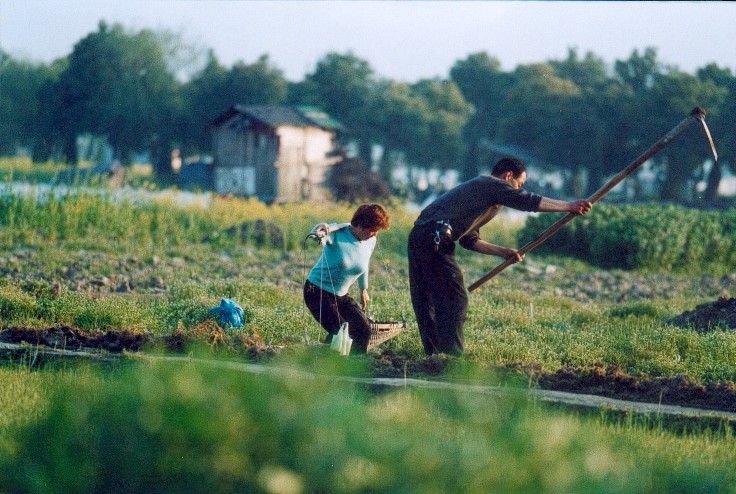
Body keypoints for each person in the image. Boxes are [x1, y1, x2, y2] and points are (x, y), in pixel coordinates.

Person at [408, 157, 592, 356]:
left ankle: (434, 357)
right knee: (455, 298)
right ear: (508, 176)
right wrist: (568, 206)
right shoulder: (491, 184)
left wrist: (503, 252)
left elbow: (469, 239)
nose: (517, 190)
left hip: (421, 235)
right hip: (434, 235)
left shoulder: (483, 196)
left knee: (431, 301)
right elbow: (525, 201)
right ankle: (450, 359)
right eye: (519, 185)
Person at [304, 203, 391, 354]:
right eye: (372, 231)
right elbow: (316, 234)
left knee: (364, 329)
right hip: (316, 291)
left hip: (340, 295)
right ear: (361, 226)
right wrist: (321, 228)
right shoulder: (337, 234)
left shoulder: (370, 240)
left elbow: (364, 262)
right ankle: (324, 362)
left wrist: (363, 289)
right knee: (341, 330)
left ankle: (355, 367)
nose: (375, 235)